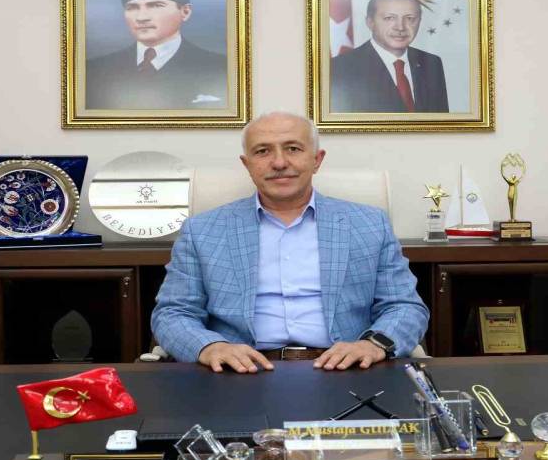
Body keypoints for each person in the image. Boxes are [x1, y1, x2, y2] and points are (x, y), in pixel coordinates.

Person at [151, 111, 429, 373]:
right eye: (263, 151)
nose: (279, 162)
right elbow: (173, 313)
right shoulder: (202, 230)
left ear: (317, 159)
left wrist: (372, 345)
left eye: (293, 149)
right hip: (240, 371)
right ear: (247, 165)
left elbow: (404, 307)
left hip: (346, 370)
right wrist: (210, 347)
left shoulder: (369, 224)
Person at [85, 0, 227, 110]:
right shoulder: (93, 71)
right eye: (132, 7)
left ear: (185, 12)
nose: (141, 17)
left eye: (155, 5)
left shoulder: (221, 68)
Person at [330, 0, 449, 113]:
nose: (400, 27)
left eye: (410, 18)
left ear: (419, 21)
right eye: (389, 18)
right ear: (370, 22)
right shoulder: (340, 67)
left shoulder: (431, 63)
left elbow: (441, 121)